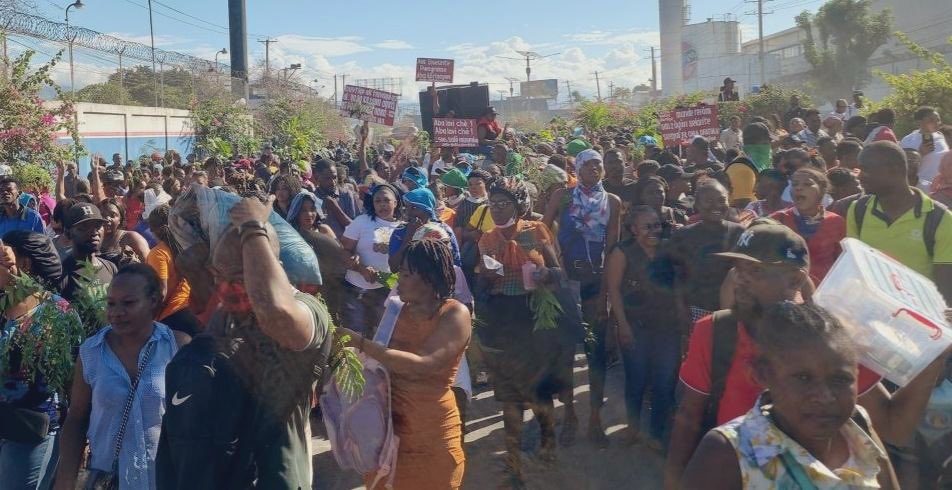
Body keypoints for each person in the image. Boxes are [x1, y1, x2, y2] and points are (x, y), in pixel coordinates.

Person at [664, 222, 948, 490]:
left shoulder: (831, 340)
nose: (739, 279)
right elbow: (689, 414)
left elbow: (893, 428)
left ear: (795, 279)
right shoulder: (715, 331)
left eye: (756, 270)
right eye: (738, 268)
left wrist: (936, 353)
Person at [681, 303, 899, 490]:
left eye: (840, 379)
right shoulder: (730, 453)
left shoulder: (857, 428)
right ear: (763, 375)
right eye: (803, 378)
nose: (825, 397)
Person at [340, 240, 471, 490]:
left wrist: (361, 342)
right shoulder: (395, 311)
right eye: (399, 272)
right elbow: (379, 362)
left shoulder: (455, 314)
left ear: (429, 278)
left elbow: (423, 364)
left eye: (407, 274)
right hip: (388, 434)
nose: (398, 279)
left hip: (431, 436)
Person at [55, 265, 188, 490]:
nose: (116, 312)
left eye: (128, 303)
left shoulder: (177, 346)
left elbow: (193, 421)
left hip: (164, 479)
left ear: (153, 301)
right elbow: (76, 418)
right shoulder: (92, 352)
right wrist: (65, 480)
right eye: (111, 303)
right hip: (109, 481)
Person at [476, 177, 565, 485]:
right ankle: (513, 462)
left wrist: (545, 273)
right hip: (503, 322)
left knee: (539, 391)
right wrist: (488, 278)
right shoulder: (487, 239)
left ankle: (547, 441)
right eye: (493, 204)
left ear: (518, 205)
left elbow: (559, 274)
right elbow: (482, 287)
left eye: (504, 204)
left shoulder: (535, 231)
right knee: (510, 396)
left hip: (535, 318)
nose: (497, 210)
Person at [542, 149, 622, 447]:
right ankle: (570, 415)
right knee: (564, 353)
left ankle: (595, 419)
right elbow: (542, 231)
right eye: (587, 164)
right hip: (566, 284)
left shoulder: (612, 201)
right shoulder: (563, 196)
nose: (594, 169)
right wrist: (555, 266)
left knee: (595, 353)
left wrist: (604, 296)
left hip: (595, 283)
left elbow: (612, 249)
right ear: (577, 167)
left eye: (598, 165)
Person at [0, 231, 81, 490]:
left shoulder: (56, 312)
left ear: (23, 264)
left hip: (30, 432)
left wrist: (78, 439)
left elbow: (73, 380)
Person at [605, 206, 680, 449]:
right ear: (633, 229)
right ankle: (634, 429)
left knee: (664, 382)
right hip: (635, 326)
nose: (654, 230)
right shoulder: (622, 251)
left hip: (667, 327)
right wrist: (622, 325)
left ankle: (656, 434)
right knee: (636, 380)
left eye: (657, 225)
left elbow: (678, 286)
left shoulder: (668, 249)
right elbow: (614, 290)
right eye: (647, 226)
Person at [848, 141, 952, 302]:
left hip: (918, 314)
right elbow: (854, 269)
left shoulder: (940, 219)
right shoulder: (858, 210)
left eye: (866, 169)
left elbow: (945, 293)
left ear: (895, 170)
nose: (859, 176)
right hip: (870, 311)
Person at [659, 180, 744, 326]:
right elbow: (677, 276)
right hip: (697, 310)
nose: (716, 205)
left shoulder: (740, 233)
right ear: (697, 204)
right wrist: (681, 309)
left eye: (721, 200)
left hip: (735, 312)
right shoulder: (684, 236)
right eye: (709, 201)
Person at [341, 183, 403, 336]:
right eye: (378, 201)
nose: (382, 204)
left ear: (395, 202)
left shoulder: (402, 228)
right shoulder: (362, 222)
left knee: (380, 335)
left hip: (384, 290)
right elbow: (344, 251)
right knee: (355, 334)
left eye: (386, 200)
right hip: (355, 288)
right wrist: (360, 268)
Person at [770, 168, 845, 283]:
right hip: (787, 289)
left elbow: (842, 262)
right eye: (794, 184)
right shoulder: (776, 220)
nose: (798, 188)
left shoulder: (836, 222)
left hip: (825, 289)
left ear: (822, 190)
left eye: (807, 184)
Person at [145, 204, 201, 336]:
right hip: (193, 310)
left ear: (152, 230)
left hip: (173, 317)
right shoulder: (187, 245)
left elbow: (161, 291)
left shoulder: (158, 253)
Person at [389, 187, 461, 272]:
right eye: (407, 207)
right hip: (409, 279)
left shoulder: (443, 230)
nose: (408, 212)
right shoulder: (401, 231)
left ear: (427, 210)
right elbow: (394, 267)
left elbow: (454, 263)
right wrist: (409, 236)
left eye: (414, 208)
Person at [59, 203, 117, 302]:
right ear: (68, 233)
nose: (94, 232)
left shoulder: (111, 267)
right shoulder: (63, 274)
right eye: (84, 227)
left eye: (98, 226)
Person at [313, 158, 362, 239]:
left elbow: (356, 228)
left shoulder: (346, 195)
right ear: (317, 177)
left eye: (334, 177)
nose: (332, 182)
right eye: (327, 178)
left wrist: (335, 208)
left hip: (347, 245)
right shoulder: (312, 199)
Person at [901, 106, 948, 189]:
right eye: (931, 120)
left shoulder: (941, 136)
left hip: (942, 187)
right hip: (921, 186)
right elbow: (902, 165)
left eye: (938, 120)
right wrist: (920, 153)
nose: (936, 123)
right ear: (919, 122)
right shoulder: (908, 140)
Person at [98, 198, 149, 265]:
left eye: (113, 215)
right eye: (102, 215)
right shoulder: (92, 238)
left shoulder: (131, 238)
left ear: (120, 219)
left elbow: (148, 265)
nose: (107, 219)